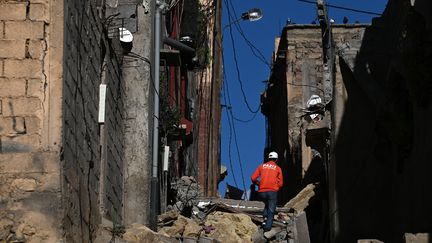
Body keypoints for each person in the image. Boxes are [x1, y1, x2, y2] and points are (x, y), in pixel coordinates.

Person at [251, 151, 283, 232]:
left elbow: (253, 178)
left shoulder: (261, 166)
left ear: (268, 158)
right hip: (272, 192)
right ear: (276, 159)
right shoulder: (278, 168)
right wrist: (275, 186)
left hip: (261, 192)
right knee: (271, 210)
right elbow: (281, 183)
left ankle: (264, 220)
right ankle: (267, 228)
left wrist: (259, 184)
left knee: (266, 204)